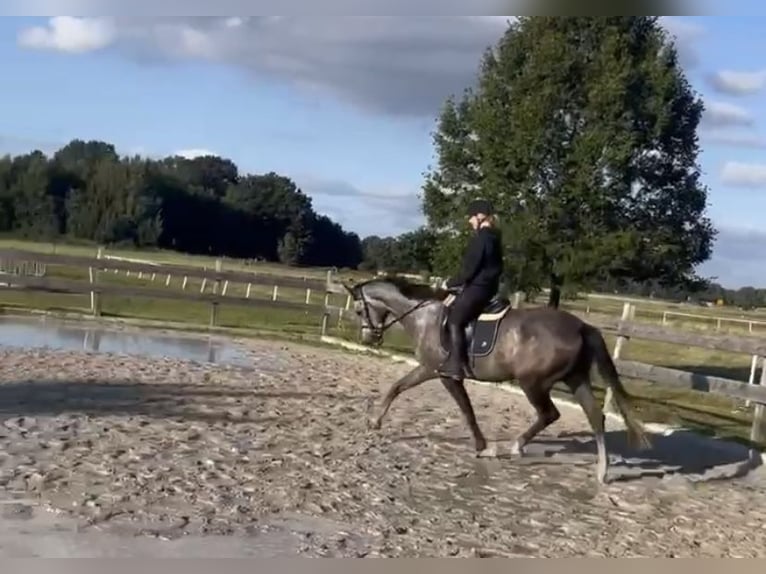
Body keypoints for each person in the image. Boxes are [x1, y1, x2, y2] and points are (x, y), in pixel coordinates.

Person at [438, 198, 504, 381]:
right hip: (488, 287)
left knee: (454, 319)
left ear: (481, 216)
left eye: (471, 217)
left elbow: (469, 270)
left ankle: (457, 365)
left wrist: (449, 283)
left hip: (478, 288)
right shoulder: (494, 236)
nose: (469, 221)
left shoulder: (482, 239)